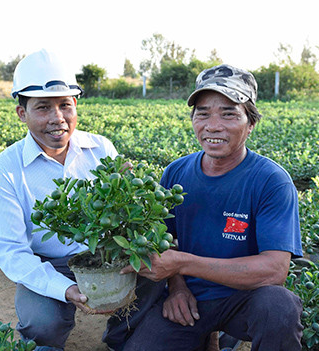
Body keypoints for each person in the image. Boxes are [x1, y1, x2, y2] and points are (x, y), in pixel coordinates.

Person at [116, 65, 304, 351]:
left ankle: (223, 336)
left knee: (279, 306)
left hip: (245, 299)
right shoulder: (176, 173)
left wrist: (182, 263)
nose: (213, 125)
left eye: (229, 113)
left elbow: (274, 271)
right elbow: (162, 241)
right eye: (203, 113)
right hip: (190, 299)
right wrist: (177, 286)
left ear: (250, 123)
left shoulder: (271, 181)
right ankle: (206, 338)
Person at [0, 49, 119, 350]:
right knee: (43, 323)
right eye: (43, 108)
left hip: (106, 255)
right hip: (49, 264)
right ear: (22, 113)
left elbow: (122, 215)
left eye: (65, 106)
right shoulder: (5, 169)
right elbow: (10, 251)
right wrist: (66, 288)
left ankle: (121, 338)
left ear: (75, 107)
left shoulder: (102, 150)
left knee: (149, 293)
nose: (57, 118)